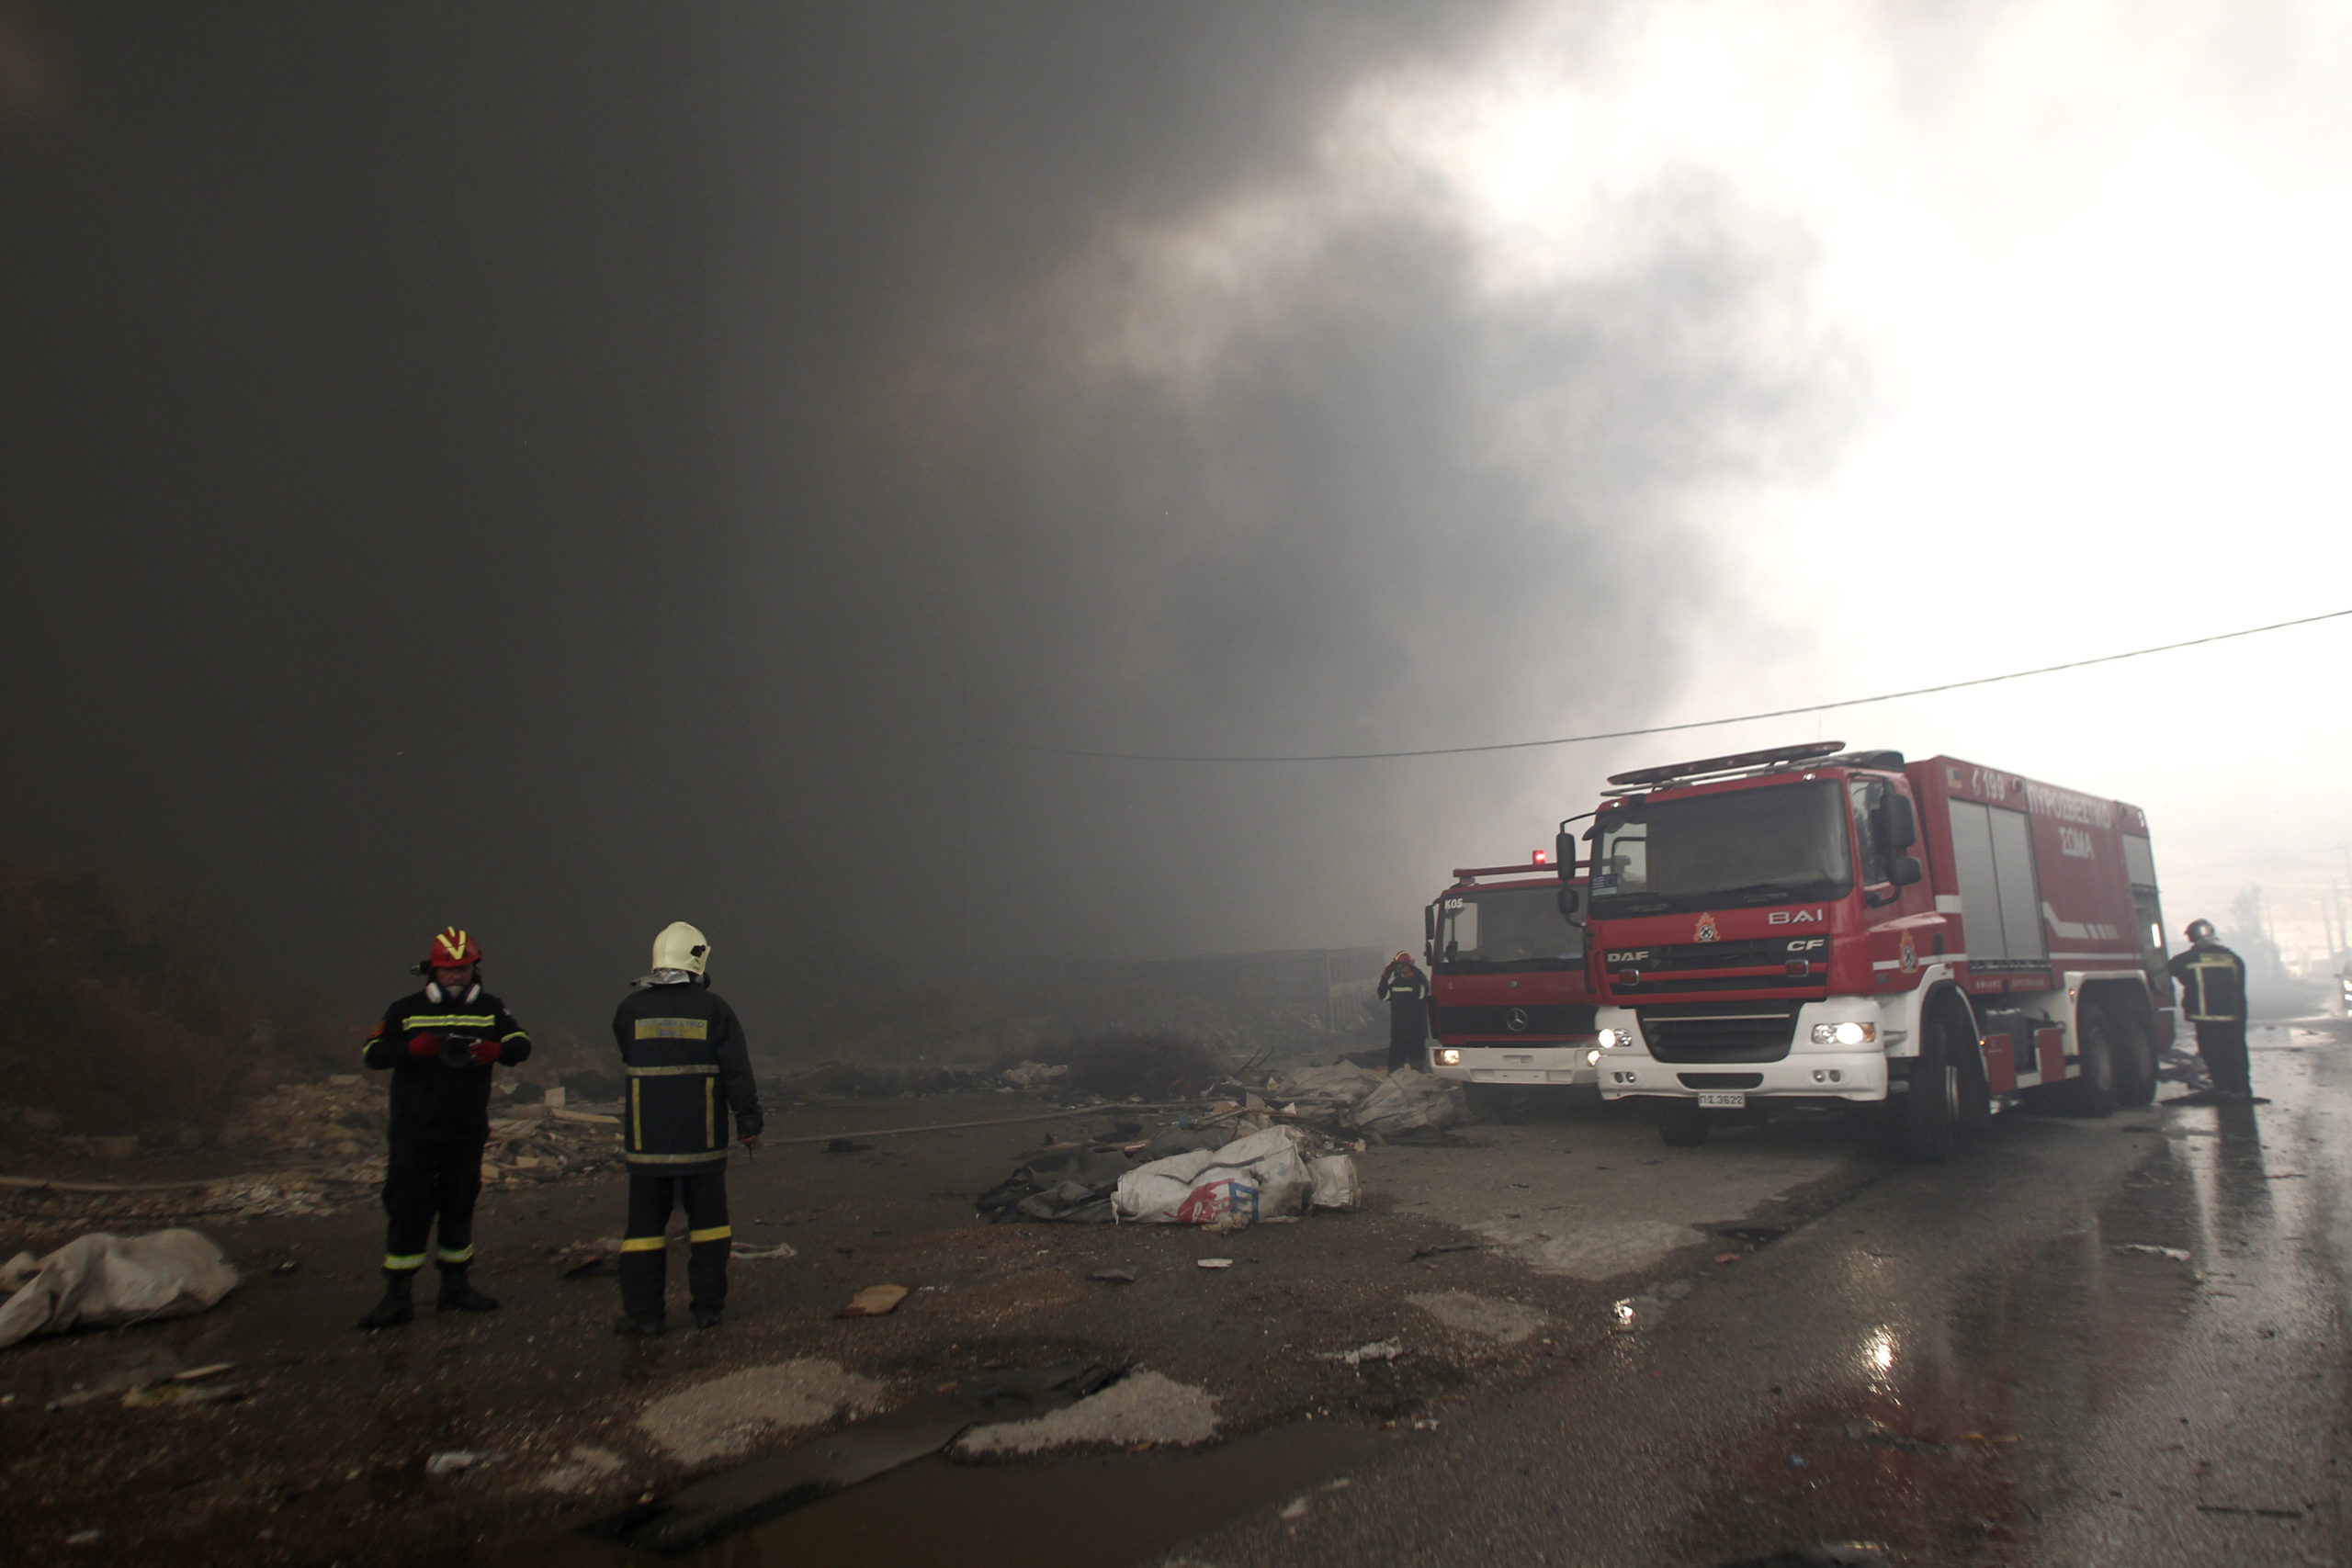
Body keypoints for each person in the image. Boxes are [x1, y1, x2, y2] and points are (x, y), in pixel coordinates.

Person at [356, 927, 531, 1329]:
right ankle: (397, 1297)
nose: (457, 977)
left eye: (463, 969)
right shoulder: (405, 1009)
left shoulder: (490, 1008)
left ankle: (456, 1288)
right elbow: (372, 1053)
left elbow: (522, 1044)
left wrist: (498, 1050)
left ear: (474, 968)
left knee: (459, 1208)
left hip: (465, 1130)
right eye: (449, 970)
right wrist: (410, 1050)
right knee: (407, 1210)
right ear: (432, 971)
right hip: (413, 1132)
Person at [611, 921, 762, 1335]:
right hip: (703, 1143)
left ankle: (645, 1317)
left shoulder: (630, 1010)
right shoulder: (715, 1010)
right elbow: (737, 1072)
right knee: (710, 1230)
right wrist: (748, 1122)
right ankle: (708, 1310)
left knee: (643, 1234)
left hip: (648, 1145)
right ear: (697, 959)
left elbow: (627, 1050)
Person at [2166, 919, 2255, 1102]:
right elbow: (2240, 990)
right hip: (2233, 1017)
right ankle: (2241, 1089)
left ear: (2194, 937)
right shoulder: (2233, 958)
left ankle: (2222, 1088)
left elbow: (2171, 967)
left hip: (2206, 1017)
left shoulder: (2189, 959)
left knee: (2213, 1052)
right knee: (2236, 1051)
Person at [1377, 950, 1432, 1072]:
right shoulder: (1397, 982)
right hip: (1399, 1031)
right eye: (1397, 966)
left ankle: (1418, 1086)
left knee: (1417, 1065)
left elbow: (1421, 994)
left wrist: (1411, 977)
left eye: (1401, 966)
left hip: (1416, 1032)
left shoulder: (1419, 978)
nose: (1399, 969)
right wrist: (1385, 977)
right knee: (1394, 1064)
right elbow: (1384, 996)